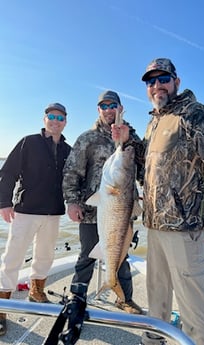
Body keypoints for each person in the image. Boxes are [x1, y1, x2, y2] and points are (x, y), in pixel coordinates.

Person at [112, 58, 204, 345]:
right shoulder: (153, 122)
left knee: (192, 303)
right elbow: (148, 165)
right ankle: (154, 340)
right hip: (155, 225)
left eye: (163, 79)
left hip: (186, 229)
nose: (157, 86)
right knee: (157, 295)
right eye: (151, 81)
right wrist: (130, 140)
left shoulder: (197, 115)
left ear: (176, 81)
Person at [62, 90, 143, 315]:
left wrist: (127, 140)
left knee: (121, 256)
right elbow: (72, 172)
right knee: (87, 255)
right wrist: (72, 201)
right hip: (90, 210)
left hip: (123, 210)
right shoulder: (87, 138)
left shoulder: (132, 138)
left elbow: (146, 167)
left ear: (120, 107)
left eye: (113, 105)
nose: (108, 110)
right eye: (104, 106)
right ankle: (77, 299)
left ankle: (124, 298)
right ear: (99, 110)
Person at [0, 102, 71, 336]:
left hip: (53, 212)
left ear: (65, 122)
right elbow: (8, 172)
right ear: (44, 119)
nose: (55, 121)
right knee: (12, 258)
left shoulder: (67, 150)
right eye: (51, 116)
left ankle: (36, 291)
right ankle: (1, 306)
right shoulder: (28, 142)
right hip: (26, 210)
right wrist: (4, 203)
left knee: (45, 255)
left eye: (60, 118)